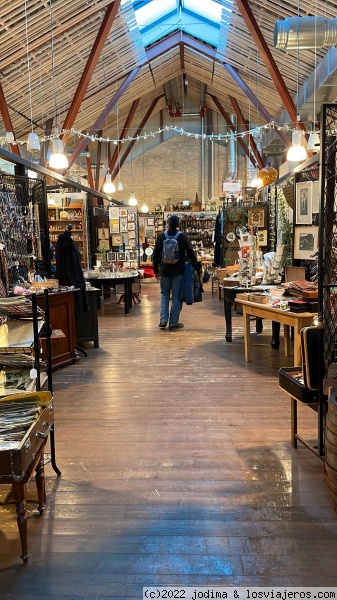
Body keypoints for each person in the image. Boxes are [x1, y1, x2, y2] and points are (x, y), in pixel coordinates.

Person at [152, 214, 200, 330]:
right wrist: (196, 267)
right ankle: (173, 322)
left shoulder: (161, 236)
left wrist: (155, 270)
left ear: (168, 224)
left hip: (164, 271)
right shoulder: (182, 236)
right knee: (177, 297)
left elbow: (155, 254)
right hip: (178, 271)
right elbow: (191, 252)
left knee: (164, 294)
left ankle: (163, 320)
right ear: (178, 224)